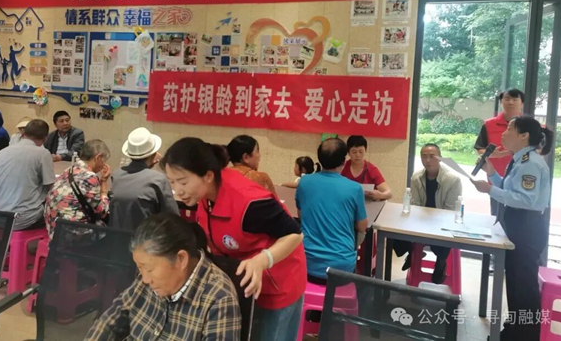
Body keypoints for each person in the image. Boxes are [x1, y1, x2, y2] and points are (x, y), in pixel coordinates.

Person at [162, 138, 306, 341]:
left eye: (183, 182)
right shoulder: (204, 196)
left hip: (276, 283)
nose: (178, 190)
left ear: (208, 176)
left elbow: (295, 234)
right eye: (172, 182)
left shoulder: (249, 202)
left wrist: (261, 261)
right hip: (240, 282)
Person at [86, 213, 241, 341]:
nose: (145, 279)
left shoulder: (218, 297)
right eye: (140, 268)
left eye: (149, 269)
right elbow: (112, 319)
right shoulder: (148, 276)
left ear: (181, 259)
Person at [471, 116, 552, 341]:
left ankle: (526, 335)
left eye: (509, 129)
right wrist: (491, 173)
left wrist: (489, 190)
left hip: (527, 226)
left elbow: (525, 200)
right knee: (515, 281)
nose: (504, 133)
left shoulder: (531, 163)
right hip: (517, 223)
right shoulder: (519, 159)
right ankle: (514, 331)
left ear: (524, 136)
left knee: (524, 285)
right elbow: (509, 189)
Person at [296, 139, 368, 284]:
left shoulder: (304, 182)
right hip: (341, 269)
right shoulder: (354, 188)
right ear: (343, 161)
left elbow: (301, 215)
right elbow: (362, 226)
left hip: (306, 263)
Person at [393, 143, 463, 284]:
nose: (428, 160)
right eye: (424, 157)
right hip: (421, 219)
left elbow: (450, 211)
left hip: (442, 221)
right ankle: (412, 252)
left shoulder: (453, 180)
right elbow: (415, 204)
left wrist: (431, 221)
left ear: (440, 158)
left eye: (432, 156)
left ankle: (441, 262)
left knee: (443, 237)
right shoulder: (417, 177)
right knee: (395, 231)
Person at [0, 119, 55, 230]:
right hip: (23, 219)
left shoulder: (2, 152)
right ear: (45, 138)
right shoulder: (43, 153)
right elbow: (51, 187)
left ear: (23, 133)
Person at [109, 128, 179, 231]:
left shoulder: (116, 175)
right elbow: (173, 217)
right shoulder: (158, 179)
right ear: (153, 154)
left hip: (116, 237)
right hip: (145, 238)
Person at [45, 139, 112, 239]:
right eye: (104, 161)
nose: (104, 164)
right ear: (98, 157)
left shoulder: (70, 169)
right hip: (72, 236)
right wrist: (104, 189)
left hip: (54, 231)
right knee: (110, 230)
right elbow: (102, 212)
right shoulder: (89, 177)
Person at [475, 88, 525, 217]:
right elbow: (480, 147)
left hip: (521, 178)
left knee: (519, 215)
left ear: (522, 103)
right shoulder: (489, 124)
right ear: (501, 102)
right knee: (497, 216)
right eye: (507, 99)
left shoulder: (529, 126)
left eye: (515, 99)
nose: (510, 102)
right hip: (496, 178)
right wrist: (491, 154)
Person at [341, 135, 392, 200]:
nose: (358, 155)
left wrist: (380, 195)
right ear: (348, 153)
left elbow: (389, 193)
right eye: (354, 152)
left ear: (365, 151)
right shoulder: (342, 167)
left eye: (361, 151)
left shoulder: (372, 169)